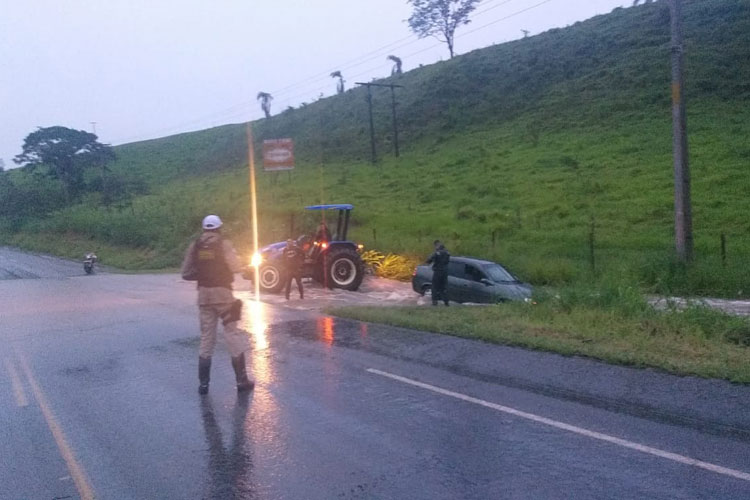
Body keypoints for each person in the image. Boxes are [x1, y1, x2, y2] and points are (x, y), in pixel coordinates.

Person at [181, 214, 254, 395]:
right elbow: (236, 267)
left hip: (204, 298)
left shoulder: (196, 245)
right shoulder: (224, 243)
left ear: (205, 228)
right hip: (224, 296)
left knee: (207, 339)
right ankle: (241, 380)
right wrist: (244, 267)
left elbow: (185, 272)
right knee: (232, 335)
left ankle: (203, 385)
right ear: (219, 228)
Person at [426, 240, 450, 306]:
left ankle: (434, 302)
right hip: (445, 273)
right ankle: (446, 302)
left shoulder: (437, 253)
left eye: (435, 246)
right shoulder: (447, 253)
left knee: (434, 287)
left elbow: (428, 260)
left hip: (438, 272)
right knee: (444, 287)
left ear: (437, 245)